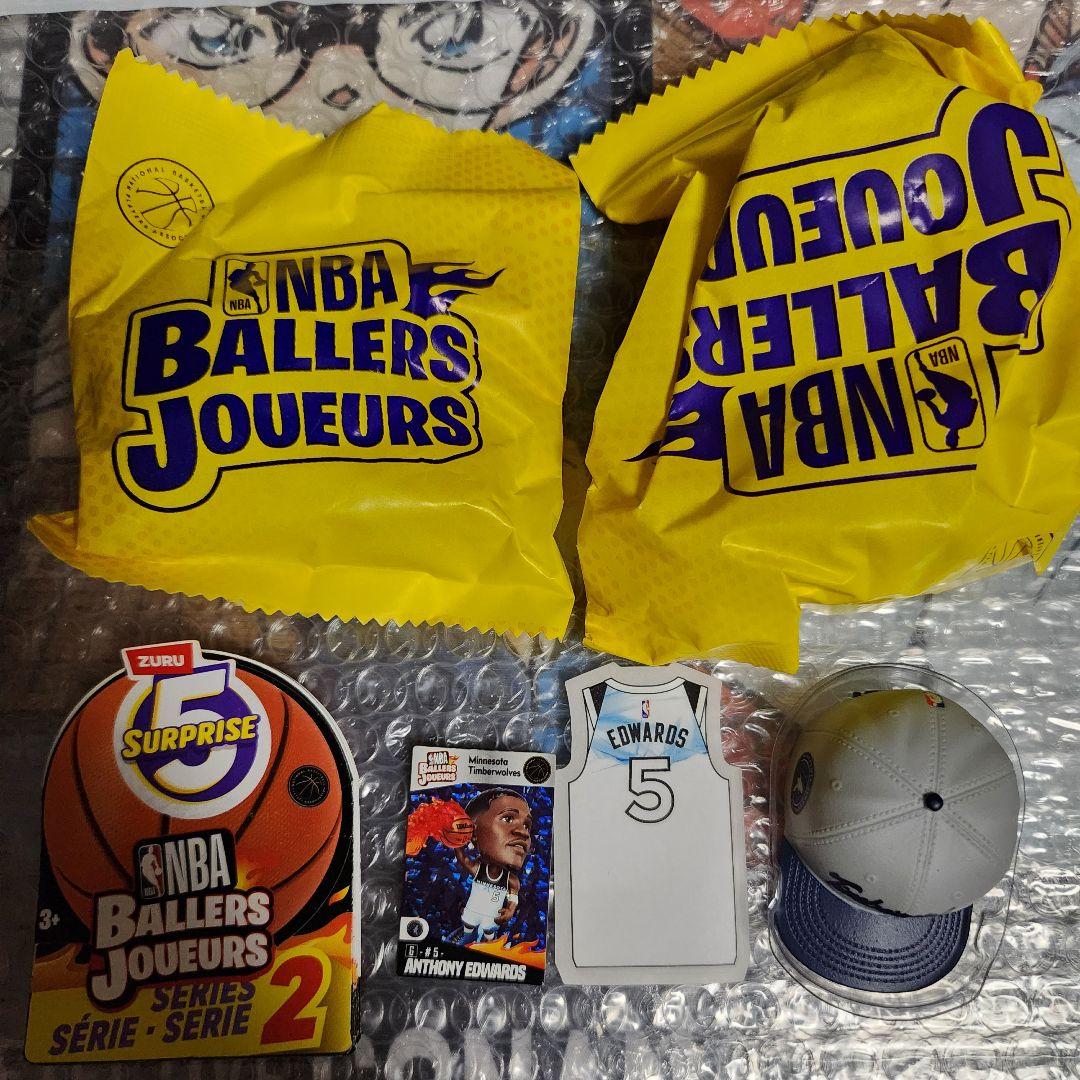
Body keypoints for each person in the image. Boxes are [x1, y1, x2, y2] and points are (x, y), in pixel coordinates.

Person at [449, 789, 533, 944]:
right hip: (473, 911)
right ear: (474, 833)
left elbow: (513, 900)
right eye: (508, 818)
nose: (524, 832)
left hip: (491, 916)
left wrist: (510, 910)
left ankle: (486, 944)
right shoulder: (479, 869)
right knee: (469, 927)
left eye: (527, 825)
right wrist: (457, 838)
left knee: (489, 933)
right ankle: (466, 938)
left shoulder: (511, 880)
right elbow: (462, 857)